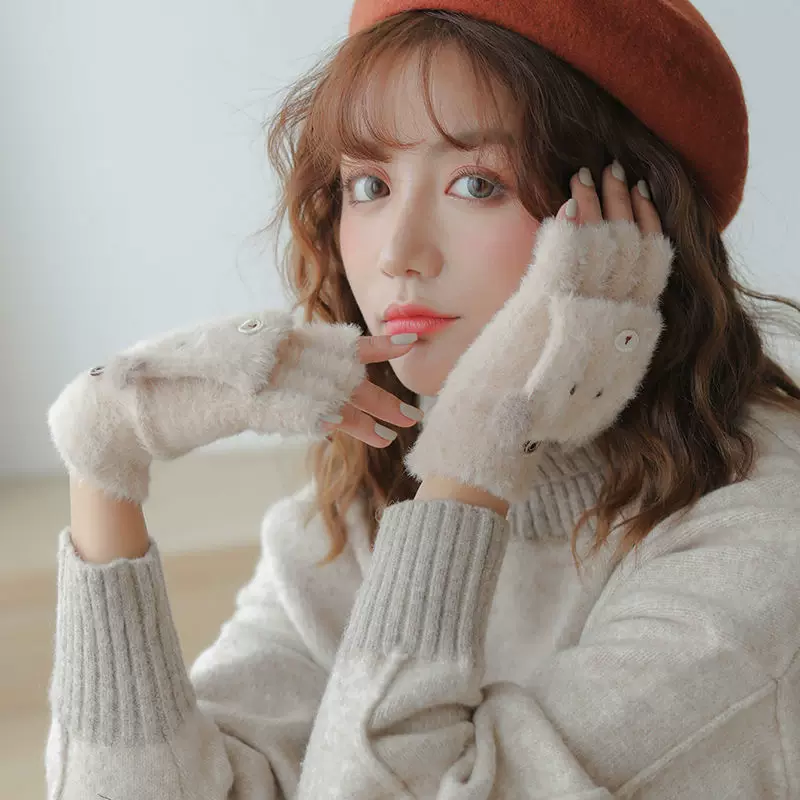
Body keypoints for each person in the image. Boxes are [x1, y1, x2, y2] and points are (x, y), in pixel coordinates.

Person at [44, 1, 800, 797]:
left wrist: (479, 444)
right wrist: (104, 464)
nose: (399, 252)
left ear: (627, 229)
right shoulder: (356, 519)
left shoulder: (756, 545)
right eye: (369, 184)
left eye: (477, 184)